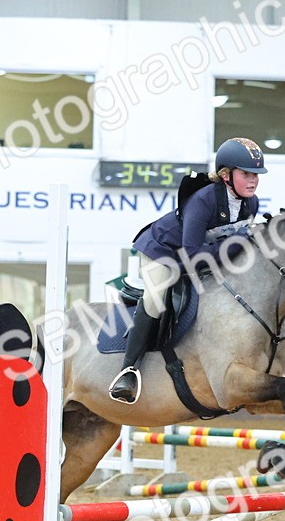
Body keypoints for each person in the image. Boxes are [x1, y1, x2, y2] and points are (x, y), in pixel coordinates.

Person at [108, 137, 266, 404]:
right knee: (156, 299)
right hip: (163, 252)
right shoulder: (203, 200)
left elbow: (231, 249)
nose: (253, 181)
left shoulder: (251, 203)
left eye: (256, 175)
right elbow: (193, 255)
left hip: (200, 255)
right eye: (246, 174)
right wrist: (236, 244)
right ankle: (128, 370)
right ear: (226, 175)